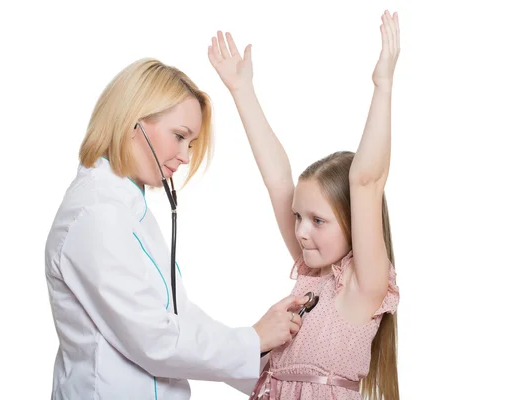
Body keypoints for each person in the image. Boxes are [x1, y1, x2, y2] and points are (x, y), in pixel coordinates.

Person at [44, 58, 310, 400]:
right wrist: (254, 339)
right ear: (132, 123)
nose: (185, 157)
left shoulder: (127, 210)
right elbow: (153, 339)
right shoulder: (96, 215)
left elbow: (178, 318)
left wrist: (264, 354)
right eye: (180, 136)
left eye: (191, 143)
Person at [208, 10, 401, 400]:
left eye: (318, 220)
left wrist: (383, 85)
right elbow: (278, 179)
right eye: (298, 217)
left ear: (354, 224)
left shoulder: (363, 288)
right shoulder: (310, 272)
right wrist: (242, 91)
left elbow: (366, 181)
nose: (300, 231)